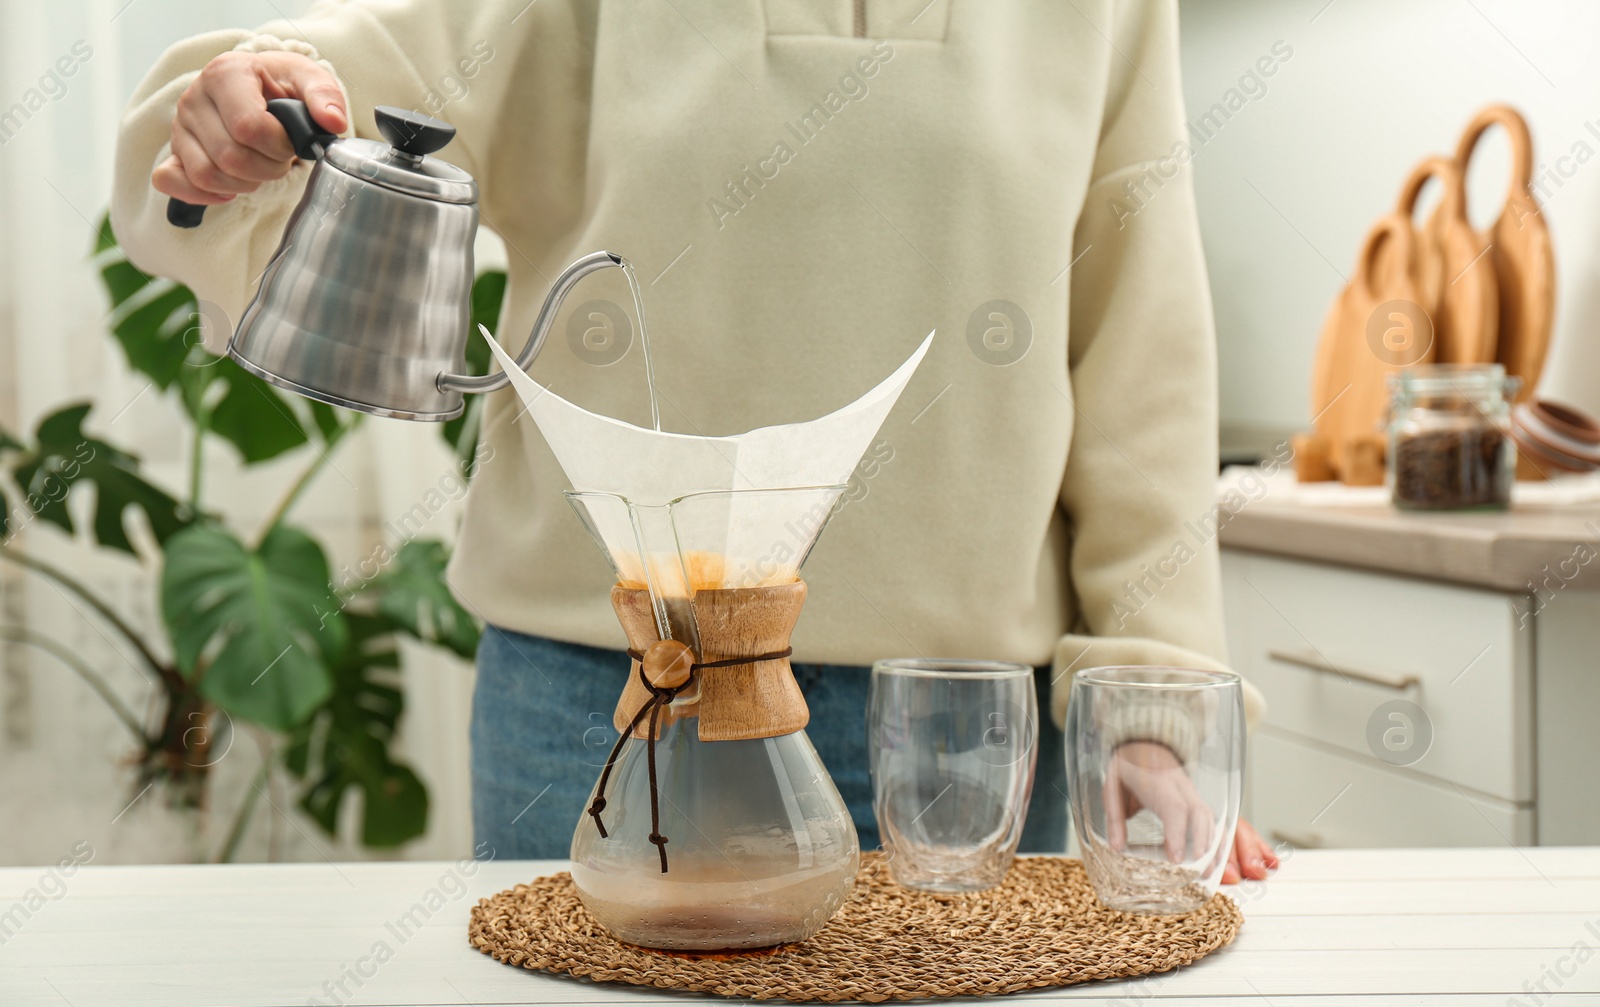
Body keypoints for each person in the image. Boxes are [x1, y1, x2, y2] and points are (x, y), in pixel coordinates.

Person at [113, 0, 1278, 883]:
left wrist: (1156, 694)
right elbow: (325, 80)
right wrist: (238, 108)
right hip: (601, 703)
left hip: (961, 733)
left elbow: (1140, 340)